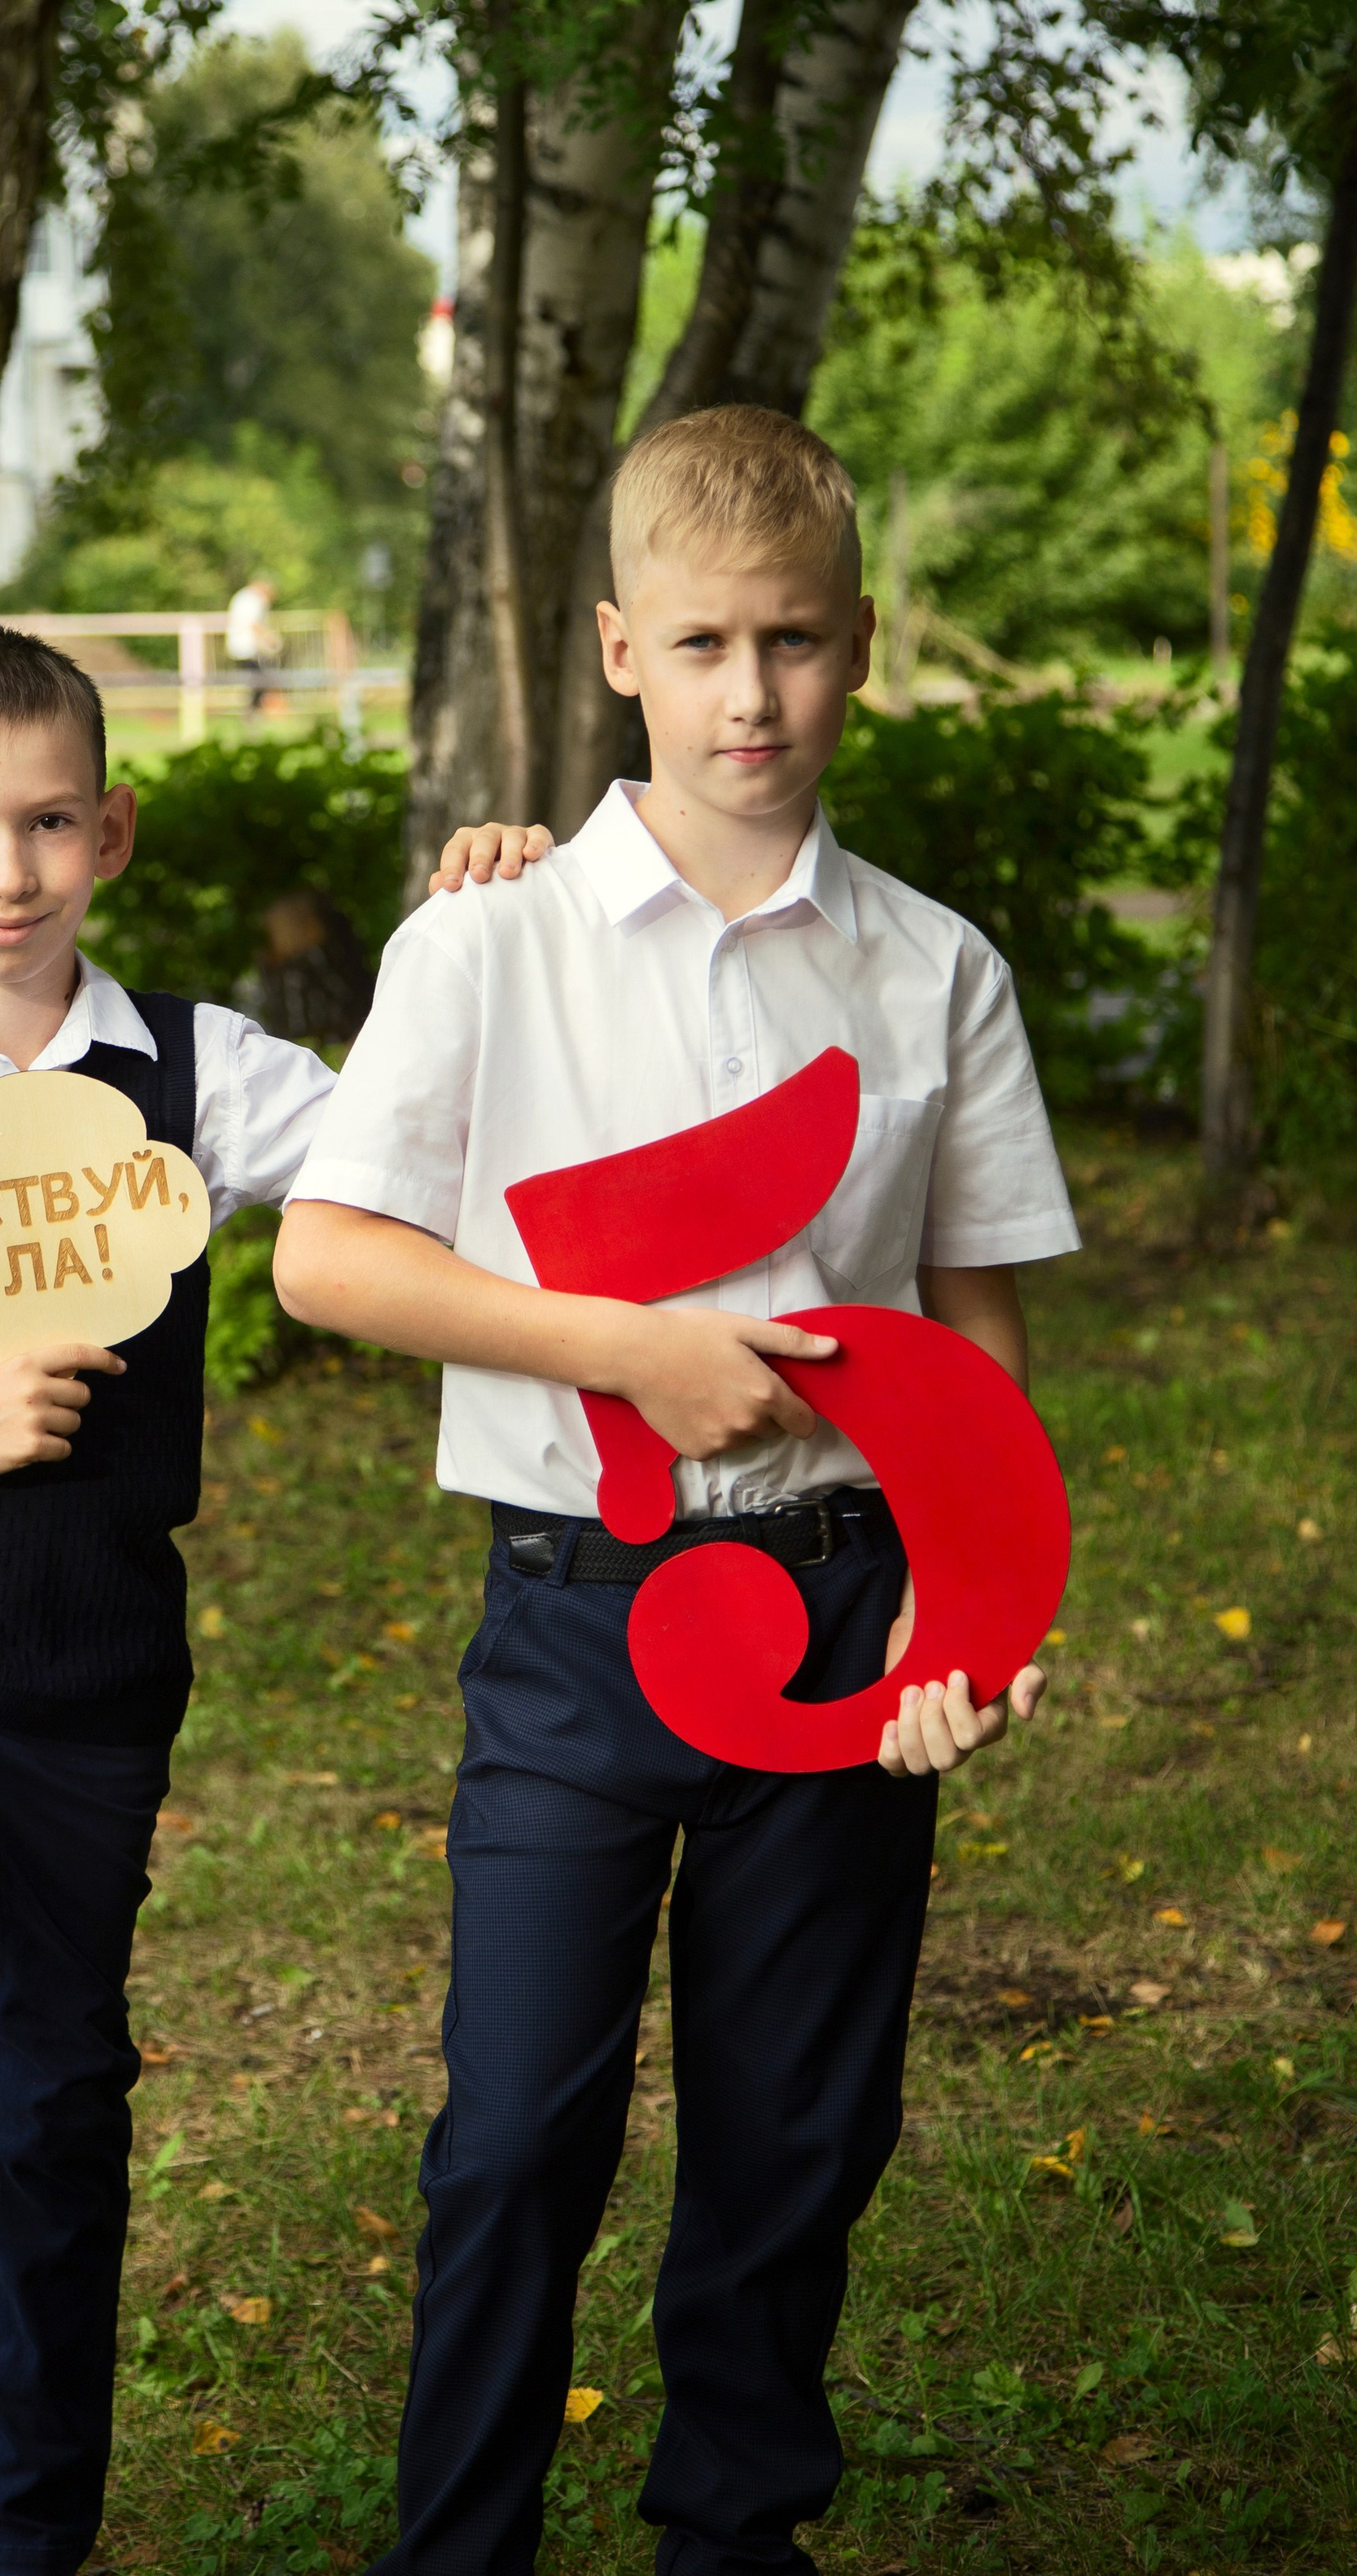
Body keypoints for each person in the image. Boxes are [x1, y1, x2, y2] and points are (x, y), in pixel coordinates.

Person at [274, 405, 1079, 2576]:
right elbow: (330, 1256)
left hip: (841, 1614)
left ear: (862, 648)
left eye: (799, 644)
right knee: (517, 2129)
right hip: (578, 1616)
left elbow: (975, 1337)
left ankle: (738, 2535)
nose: (753, 695)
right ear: (623, 645)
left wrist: (965, 1616)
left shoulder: (934, 970)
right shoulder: (491, 942)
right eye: (707, 643)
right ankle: (464, 2552)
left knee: (796, 2130)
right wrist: (621, 1347)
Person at [0, 622, 542, 2576]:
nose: (6, 872)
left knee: (53, 2095)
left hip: (83, 1673)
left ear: (110, 831)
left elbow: (424, 1155)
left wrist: (467, 937)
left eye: (47, 822)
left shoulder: (199, 1073)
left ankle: (23, 2537)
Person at [225, 571, 281, 715]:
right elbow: (254, 624)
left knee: (255, 681)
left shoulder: (243, 597)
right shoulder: (252, 599)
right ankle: (251, 713)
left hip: (243, 646)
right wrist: (270, 640)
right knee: (258, 681)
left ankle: (252, 712)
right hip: (247, 647)